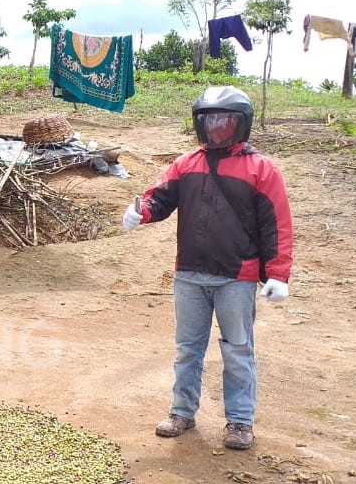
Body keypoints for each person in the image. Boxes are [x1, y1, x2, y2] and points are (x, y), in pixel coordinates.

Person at [122, 86, 293, 451]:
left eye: (223, 120)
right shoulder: (186, 164)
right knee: (187, 349)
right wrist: (142, 212)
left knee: (237, 351)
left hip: (236, 276)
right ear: (200, 123)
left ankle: (240, 422)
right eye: (209, 120)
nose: (215, 128)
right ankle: (182, 412)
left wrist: (278, 273)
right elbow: (161, 197)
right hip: (189, 274)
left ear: (240, 124)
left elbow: (276, 224)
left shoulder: (260, 169)